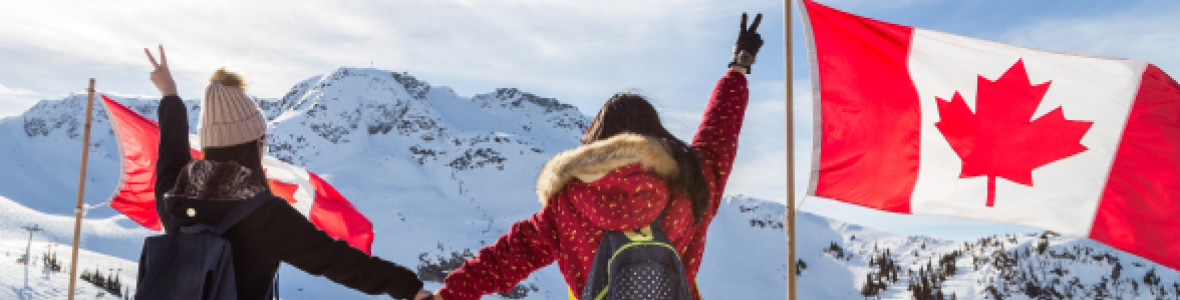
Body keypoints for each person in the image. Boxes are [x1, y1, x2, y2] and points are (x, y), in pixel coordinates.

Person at [431, 13, 763, 300]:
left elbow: (502, 261)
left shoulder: (567, 205)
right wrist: (738, 67)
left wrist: (447, 295)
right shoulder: (693, 184)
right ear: (657, 136)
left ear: (594, 143)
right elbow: (720, 131)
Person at [145, 45, 433, 300]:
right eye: (261, 141)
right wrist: (408, 288)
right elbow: (335, 259)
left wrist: (170, 94)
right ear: (252, 144)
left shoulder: (175, 196)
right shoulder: (263, 215)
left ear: (209, 143)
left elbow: (171, 151)